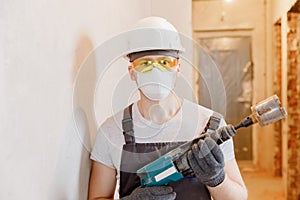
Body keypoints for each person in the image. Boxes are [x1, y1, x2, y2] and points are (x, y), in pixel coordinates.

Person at [88, 17, 248, 200]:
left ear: (178, 68)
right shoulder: (111, 131)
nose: (156, 71)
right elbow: (96, 197)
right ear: (132, 72)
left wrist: (217, 179)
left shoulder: (210, 125)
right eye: (145, 64)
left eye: (165, 63)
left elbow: (239, 197)